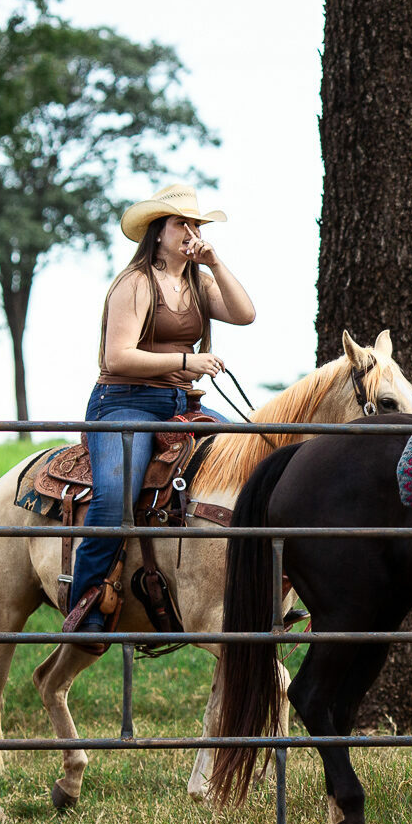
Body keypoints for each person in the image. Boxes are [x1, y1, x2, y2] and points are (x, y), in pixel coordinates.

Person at [63, 183, 257, 636]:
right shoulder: (135, 283)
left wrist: (216, 263)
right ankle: (86, 604)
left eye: (196, 225)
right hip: (123, 403)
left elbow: (245, 314)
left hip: (181, 404)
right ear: (158, 230)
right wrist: (188, 362)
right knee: (115, 494)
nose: (191, 232)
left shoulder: (198, 282)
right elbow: (118, 358)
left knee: (251, 458)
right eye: (180, 223)